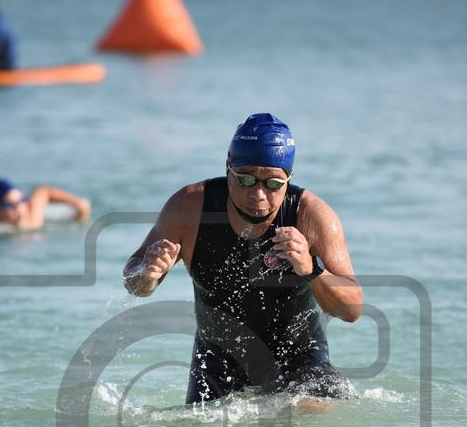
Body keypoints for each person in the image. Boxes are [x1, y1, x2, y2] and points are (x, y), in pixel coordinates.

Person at [123, 113, 363, 404]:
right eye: (246, 179)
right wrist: (147, 275)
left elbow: (352, 310)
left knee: (312, 409)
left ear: (289, 178)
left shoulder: (311, 215)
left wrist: (311, 269)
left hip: (297, 356)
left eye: (273, 184)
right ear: (228, 167)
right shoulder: (189, 208)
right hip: (217, 359)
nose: (258, 195)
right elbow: (134, 284)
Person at [0, 179, 91, 230]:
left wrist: (78, 203)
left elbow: (44, 192)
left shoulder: (32, 214)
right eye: (9, 205)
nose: (18, 208)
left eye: (21, 201)